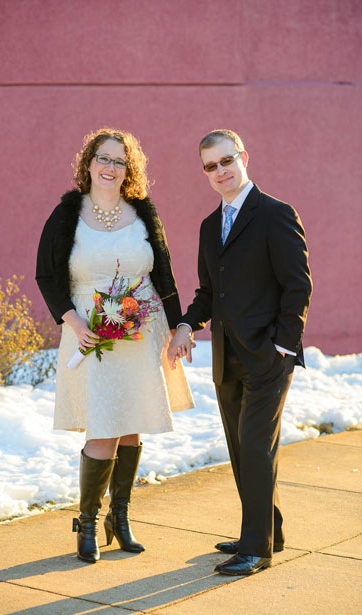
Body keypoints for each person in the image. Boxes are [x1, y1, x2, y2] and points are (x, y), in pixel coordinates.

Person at [35, 128, 194, 564]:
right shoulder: (68, 214)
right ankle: (87, 522)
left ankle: (119, 518)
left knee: (131, 421)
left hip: (142, 326)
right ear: (88, 163)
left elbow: (163, 273)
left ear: (130, 169)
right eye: (103, 158)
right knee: (102, 425)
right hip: (89, 328)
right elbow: (47, 276)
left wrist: (180, 324)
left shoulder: (142, 212)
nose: (110, 167)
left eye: (120, 161)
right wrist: (72, 321)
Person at [168, 129, 311, 576]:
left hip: (268, 357)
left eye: (226, 161)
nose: (220, 172)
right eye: (210, 166)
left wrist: (282, 348)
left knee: (255, 447)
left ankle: (256, 549)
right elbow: (209, 291)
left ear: (244, 157)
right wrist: (188, 324)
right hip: (227, 358)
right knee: (241, 448)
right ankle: (270, 530)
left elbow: (297, 286)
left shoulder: (276, 214)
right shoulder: (210, 227)